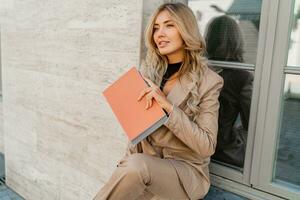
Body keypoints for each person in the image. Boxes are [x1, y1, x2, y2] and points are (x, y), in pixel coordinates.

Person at [94, 3, 223, 199]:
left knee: (138, 166)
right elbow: (136, 132)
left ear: (186, 29)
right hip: (144, 168)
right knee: (134, 167)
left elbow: (206, 146)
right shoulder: (148, 73)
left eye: (169, 25)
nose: (159, 33)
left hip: (184, 174)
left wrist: (169, 108)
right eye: (156, 27)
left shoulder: (209, 81)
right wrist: (124, 165)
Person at [205, 15, 254, 167]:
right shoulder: (242, 76)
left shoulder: (199, 69)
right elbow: (252, 124)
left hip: (195, 145)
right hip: (222, 150)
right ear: (236, 41)